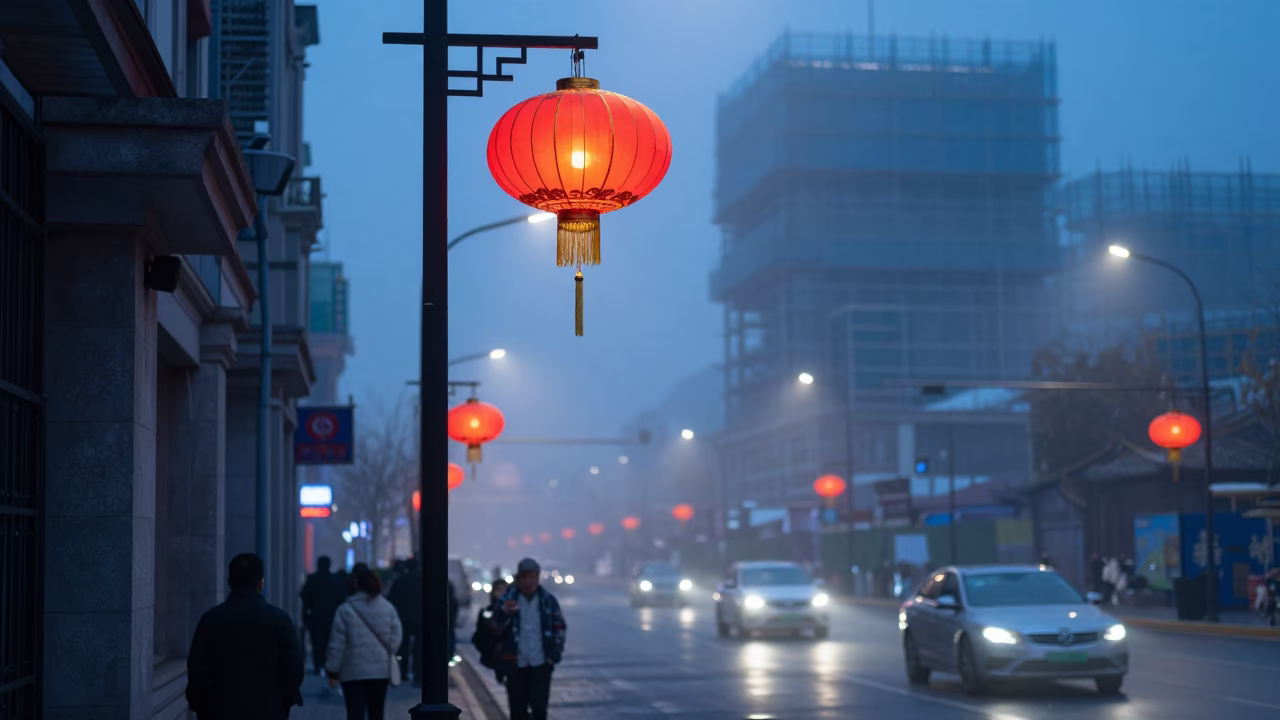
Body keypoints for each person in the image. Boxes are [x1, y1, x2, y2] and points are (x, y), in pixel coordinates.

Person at [186, 553, 305, 719]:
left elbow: (197, 669)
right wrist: (285, 701)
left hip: (219, 711)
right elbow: (293, 668)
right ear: (260, 583)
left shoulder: (210, 619)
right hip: (269, 710)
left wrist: (199, 704)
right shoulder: (280, 620)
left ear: (230, 582)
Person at [491, 557, 567, 720]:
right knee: (518, 712)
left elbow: (559, 627)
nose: (530, 582)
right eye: (526, 577)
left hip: (541, 662)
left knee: (539, 709)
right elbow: (494, 627)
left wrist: (554, 655)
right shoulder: (508, 600)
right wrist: (504, 613)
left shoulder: (548, 601)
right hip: (515, 664)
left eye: (533, 577)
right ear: (519, 578)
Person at [326, 566, 404, 720]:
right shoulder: (388, 608)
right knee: (377, 713)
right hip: (380, 671)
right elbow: (396, 636)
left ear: (356, 585)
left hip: (352, 672)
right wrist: (387, 652)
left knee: (355, 713)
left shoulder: (345, 610)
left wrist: (332, 669)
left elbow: (337, 644)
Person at [300, 556, 346, 676]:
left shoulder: (312, 579)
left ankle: (318, 665)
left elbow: (305, 598)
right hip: (331, 616)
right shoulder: (335, 580)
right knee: (329, 643)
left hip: (316, 617)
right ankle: (327, 665)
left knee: (317, 643)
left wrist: (305, 616)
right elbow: (341, 599)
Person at [386, 556, 422, 685]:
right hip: (419, 619)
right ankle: (418, 673)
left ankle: (403, 672)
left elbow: (391, 599)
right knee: (419, 648)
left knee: (403, 647)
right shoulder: (421, 582)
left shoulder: (400, 581)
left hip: (403, 619)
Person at [473, 578, 510, 683]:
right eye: (499, 590)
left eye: (504, 590)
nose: (502, 593)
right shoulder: (488, 610)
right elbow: (481, 633)